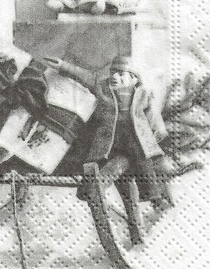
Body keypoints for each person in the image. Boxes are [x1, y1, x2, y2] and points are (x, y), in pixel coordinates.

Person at [44, 55, 169, 207]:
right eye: (113, 72)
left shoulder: (143, 95)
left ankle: (153, 195)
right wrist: (63, 65)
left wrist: (157, 134)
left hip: (134, 138)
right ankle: (88, 190)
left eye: (121, 74)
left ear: (134, 79)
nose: (115, 77)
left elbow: (153, 116)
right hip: (109, 140)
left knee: (143, 161)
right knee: (98, 163)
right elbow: (84, 76)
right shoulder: (103, 87)